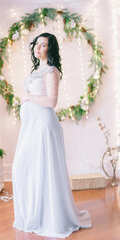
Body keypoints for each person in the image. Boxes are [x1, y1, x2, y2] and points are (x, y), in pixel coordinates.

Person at [12, 32, 92, 238]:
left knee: (44, 169)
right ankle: (36, 214)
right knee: (24, 167)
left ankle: (50, 217)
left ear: (50, 49)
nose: (38, 48)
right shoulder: (37, 70)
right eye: (37, 44)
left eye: (43, 45)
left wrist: (28, 97)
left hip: (44, 126)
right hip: (32, 126)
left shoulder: (51, 72)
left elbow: (51, 102)